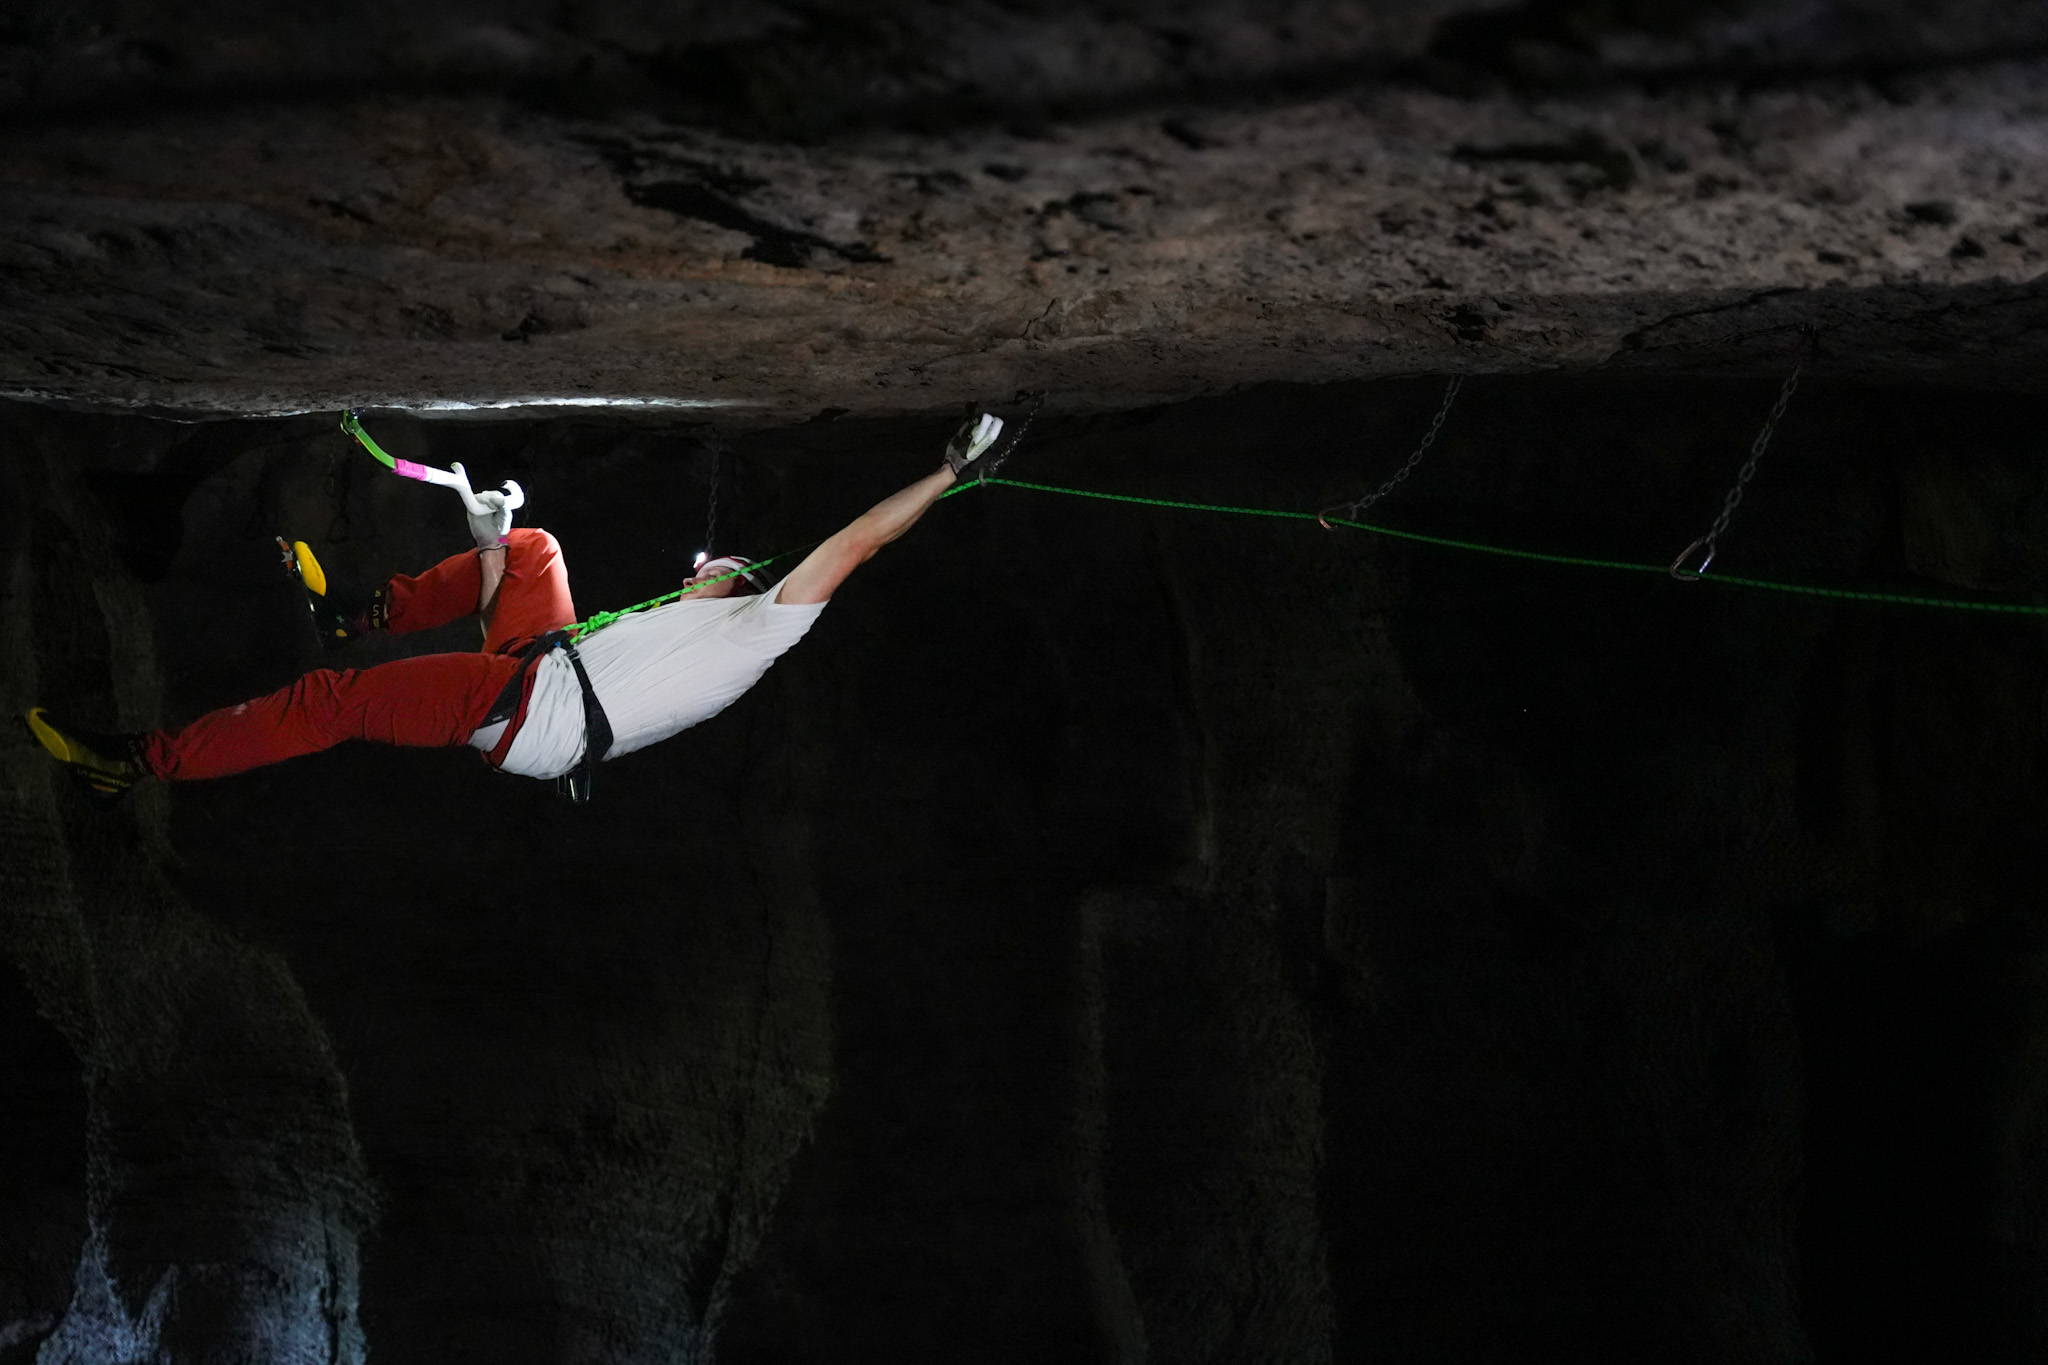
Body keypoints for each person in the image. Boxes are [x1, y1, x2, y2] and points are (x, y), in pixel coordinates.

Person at [24, 412, 1007, 798]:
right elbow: (521, 614)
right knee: (533, 547)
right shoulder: (683, 616)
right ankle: (358, 615)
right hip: (546, 667)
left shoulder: (765, 626)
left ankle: (137, 764)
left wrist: (947, 472)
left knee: (333, 701)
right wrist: (489, 538)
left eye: (720, 567)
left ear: (745, 591)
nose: (707, 565)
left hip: (540, 714)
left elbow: (861, 538)